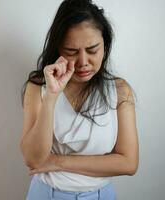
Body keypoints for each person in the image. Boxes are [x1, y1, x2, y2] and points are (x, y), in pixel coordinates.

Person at [20, 0, 139, 199]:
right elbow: (33, 159)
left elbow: (129, 163)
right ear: (58, 48)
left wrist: (58, 162)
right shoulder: (38, 87)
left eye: (92, 50)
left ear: (105, 46)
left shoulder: (120, 91)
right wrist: (51, 97)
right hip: (45, 194)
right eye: (71, 51)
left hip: (100, 195)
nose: (83, 62)